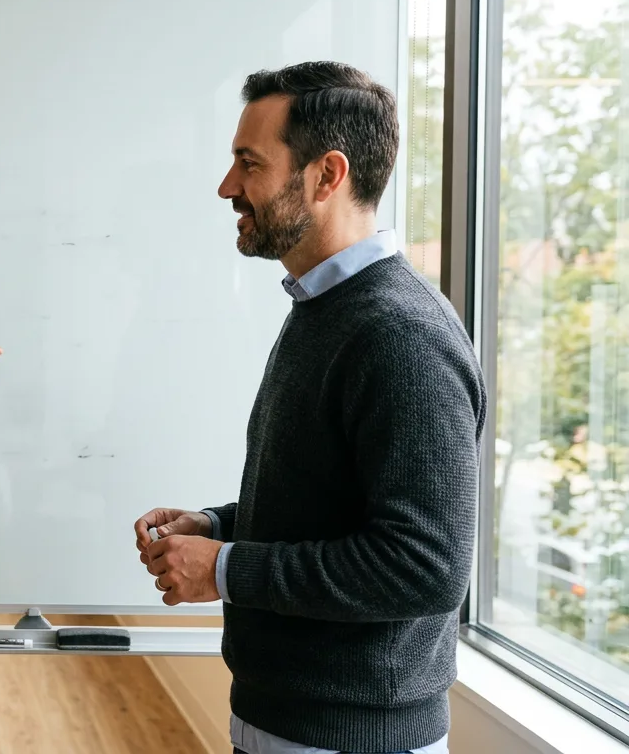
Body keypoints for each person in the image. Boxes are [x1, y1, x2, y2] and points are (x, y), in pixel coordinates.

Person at [134, 61, 484, 754]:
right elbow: (331, 508)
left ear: (327, 175)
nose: (227, 187)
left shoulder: (401, 334)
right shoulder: (327, 310)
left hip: (350, 740)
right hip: (287, 721)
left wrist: (225, 567)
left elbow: (426, 565)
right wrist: (216, 525)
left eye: (248, 163)